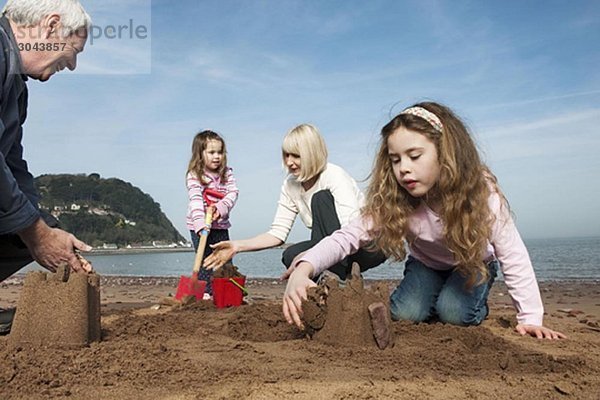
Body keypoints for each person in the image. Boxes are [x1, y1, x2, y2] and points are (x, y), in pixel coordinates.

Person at [283, 102, 566, 340]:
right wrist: (304, 267)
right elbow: (347, 236)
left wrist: (530, 317)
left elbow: (512, 253)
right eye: (395, 160)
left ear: (445, 154)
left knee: (454, 314)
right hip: (427, 265)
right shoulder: (396, 198)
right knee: (406, 314)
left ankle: (470, 303)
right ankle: (432, 294)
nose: (404, 168)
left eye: (415, 156)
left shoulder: (480, 194)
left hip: (471, 264)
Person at [0, 0, 92, 334]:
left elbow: (13, 163)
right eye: (73, 51)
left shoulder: (16, 87)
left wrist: (45, 230)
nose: (73, 65)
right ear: (50, 26)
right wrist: (36, 234)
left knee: (42, 228)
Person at [204, 123, 386, 280]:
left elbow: (350, 227)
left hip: (366, 245)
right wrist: (237, 246)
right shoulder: (290, 185)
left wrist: (312, 257)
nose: (290, 162)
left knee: (320, 199)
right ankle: (331, 283)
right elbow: (278, 234)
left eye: (296, 156)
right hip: (335, 247)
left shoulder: (333, 175)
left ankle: (338, 281)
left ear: (311, 154)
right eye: (286, 155)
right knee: (291, 255)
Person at [186, 130, 239, 297]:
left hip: (220, 225)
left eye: (220, 152)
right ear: (200, 154)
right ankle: (205, 293)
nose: (217, 156)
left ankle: (226, 291)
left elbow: (233, 193)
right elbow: (195, 199)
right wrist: (200, 224)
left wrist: (221, 207)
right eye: (211, 152)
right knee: (205, 260)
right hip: (199, 225)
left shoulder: (227, 173)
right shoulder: (195, 175)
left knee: (225, 260)